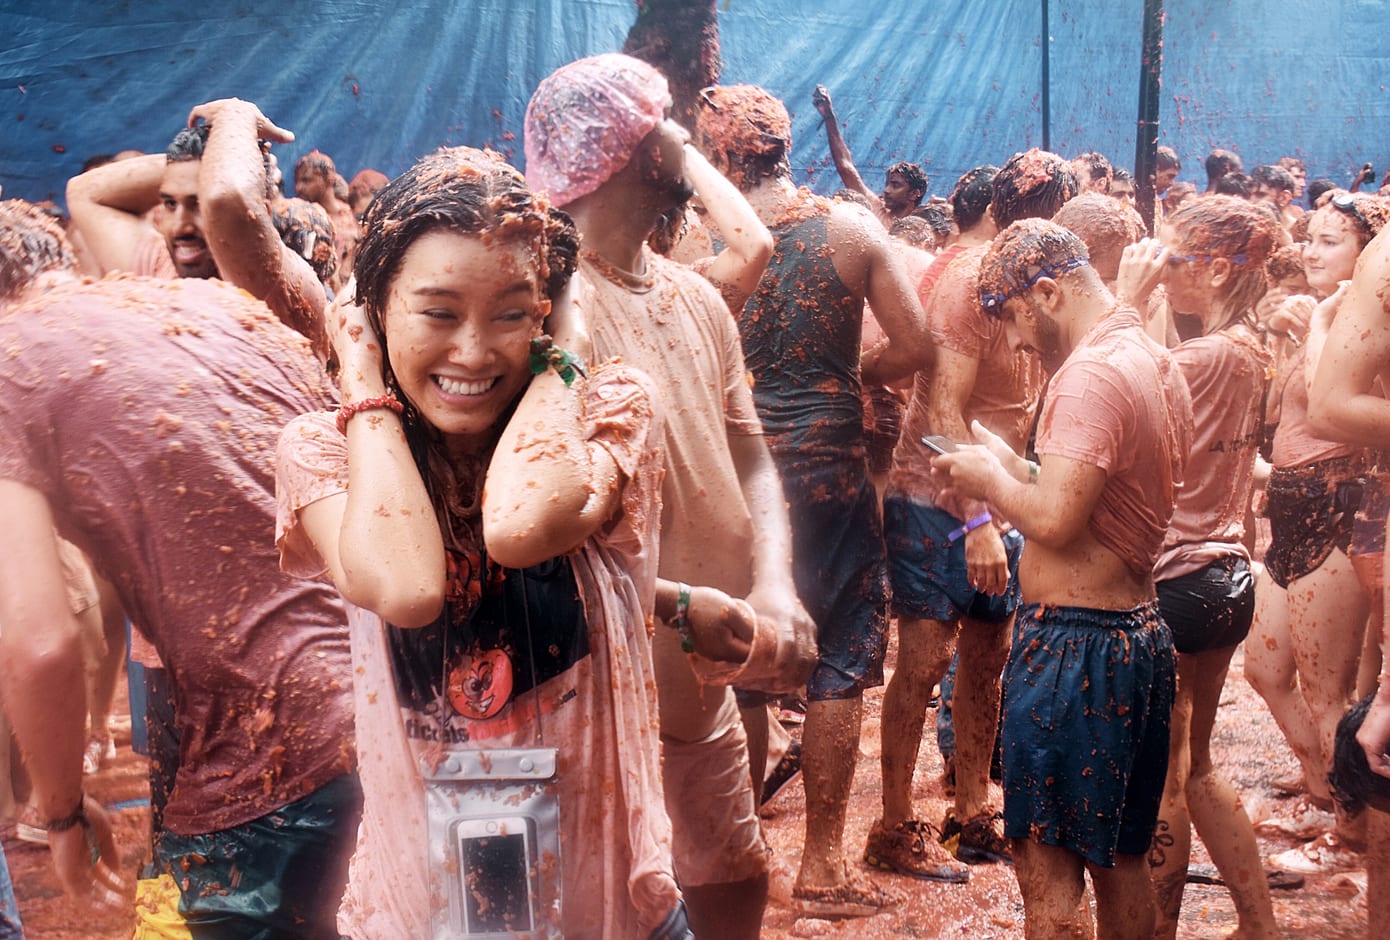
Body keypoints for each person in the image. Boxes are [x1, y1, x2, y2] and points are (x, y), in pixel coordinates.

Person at [275, 145, 694, 938]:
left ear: (552, 310)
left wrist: (561, 356)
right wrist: (364, 384)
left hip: (608, 902)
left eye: (512, 313)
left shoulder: (606, 408)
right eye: (437, 313)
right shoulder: (326, 450)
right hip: (418, 907)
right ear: (373, 311)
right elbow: (405, 588)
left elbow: (522, 526)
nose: (472, 351)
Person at [0, 198, 358, 937]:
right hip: (392, 707)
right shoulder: (203, 304)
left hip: (263, 765)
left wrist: (62, 812)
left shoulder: (10, 362)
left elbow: (40, 643)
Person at [525, 56, 816, 940]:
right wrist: (671, 605)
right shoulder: (546, 306)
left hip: (705, 674)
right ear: (632, 143)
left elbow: (753, 462)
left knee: (735, 878)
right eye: (669, 123)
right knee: (614, 903)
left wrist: (775, 584)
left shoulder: (695, 297)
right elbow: (536, 521)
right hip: (598, 685)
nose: (688, 139)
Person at [697, 82, 934, 918]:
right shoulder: (853, 229)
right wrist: (846, 377)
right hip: (829, 465)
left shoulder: (695, 244)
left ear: (717, 155)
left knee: (739, 658)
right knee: (839, 658)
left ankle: (743, 847)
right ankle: (825, 864)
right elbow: (915, 344)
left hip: (735, 472)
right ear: (786, 143)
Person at [934, 218, 1192, 939]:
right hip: (1135, 639)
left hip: (1077, 651)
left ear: (1047, 293)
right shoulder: (1146, 354)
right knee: (1121, 861)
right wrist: (1015, 466)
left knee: (1048, 871)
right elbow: (1101, 494)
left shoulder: (1088, 375)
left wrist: (989, 477)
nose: (1016, 345)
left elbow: (1051, 519)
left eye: (1016, 322)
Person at [870, 152, 1082, 885]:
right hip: (934, 499)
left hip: (998, 496)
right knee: (924, 662)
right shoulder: (968, 281)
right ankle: (895, 825)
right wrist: (978, 522)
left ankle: (972, 816)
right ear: (1033, 207)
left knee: (987, 662)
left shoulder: (1026, 279)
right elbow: (943, 409)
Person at [1120, 197, 1285, 939]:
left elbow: (1109, 388)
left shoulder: (1203, 356)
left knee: (1165, 771)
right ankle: (1258, 923)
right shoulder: (1246, 345)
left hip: (1181, 578)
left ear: (1217, 270)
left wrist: (1127, 299)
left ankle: (1158, 931)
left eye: (1172, 259)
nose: (1161, 269)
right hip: (1223, 574)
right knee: (1197, 766)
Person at [1245, 193, 1390, 874]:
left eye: (1330, 241)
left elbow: (1334, 408)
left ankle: (1351, 831)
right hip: (1292, 508)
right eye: (1308, 237)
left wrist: (1319, 325)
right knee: (1265, 669)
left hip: (1340, 507)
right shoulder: (1313, 314)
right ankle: (1322, 789)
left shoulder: (1353, 322)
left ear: (1367, 256)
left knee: (1327, 690)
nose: (1309, 250)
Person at [65, 98, 326, 353]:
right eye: (170, 204)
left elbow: (226, 197)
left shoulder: (278, 280)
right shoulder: (161, 266)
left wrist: (236, 113)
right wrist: (185, 165)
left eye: (199, 205)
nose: (181, 226)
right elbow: (83, 192)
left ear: (262, 217)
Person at [811, 84, 927, 225]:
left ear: (915, 193)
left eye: (895, 185)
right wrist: (828, 115)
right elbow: (845, 167)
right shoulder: (876, 210)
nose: (886, 190)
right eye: (888, 184)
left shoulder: (925, 227)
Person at [294, 149, 357, 292]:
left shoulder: (352, 214)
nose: (298, 188)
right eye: (297, 181)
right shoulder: (301, 221)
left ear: (328, 178)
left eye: (306, 180)